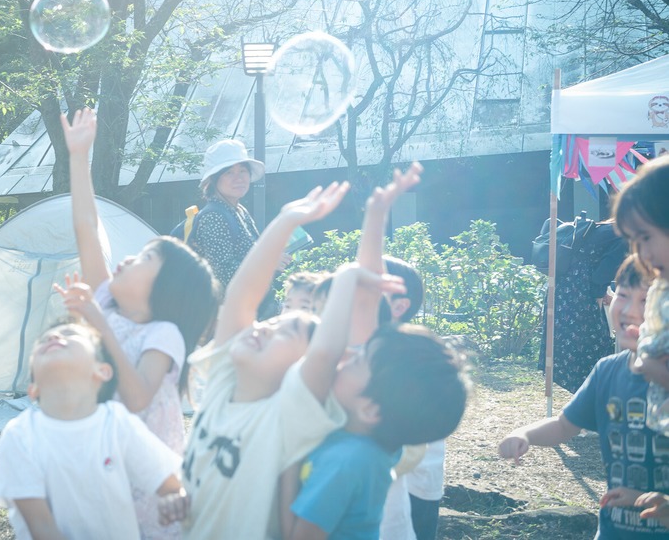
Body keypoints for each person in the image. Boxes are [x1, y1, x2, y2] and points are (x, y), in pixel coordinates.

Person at [181, 178, 409, 539]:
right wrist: (284, 222)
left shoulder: (286, 417)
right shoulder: (222, 383)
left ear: (300, 369)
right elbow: (241, 295)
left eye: (285, 332)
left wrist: (350, 275)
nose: (263, 328)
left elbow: (332, 348)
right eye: (272, 321)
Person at [280, 165, 469, 540]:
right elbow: (367, 300)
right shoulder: (372, 428)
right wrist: (375, 215)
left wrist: (286, 465)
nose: (349, 354)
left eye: (361, 358)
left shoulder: (349, 458)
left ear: (370, 407)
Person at [60, 108, 218, 538]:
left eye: (147, 257)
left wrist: (98, 323)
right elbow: (87, 229)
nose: (130, 256)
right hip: (106, 460)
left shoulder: (161, 334)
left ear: (164, 292)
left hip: (149, 479)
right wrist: (79, 156)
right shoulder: (109, 300)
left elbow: (136, 399)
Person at [498, 156, 669, 539]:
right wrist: (524, 434)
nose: (641, 253)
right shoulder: (611, 370)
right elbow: (565, 425)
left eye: (645, 237)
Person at [0, 319, 187, 540]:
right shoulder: (20, 434)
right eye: (44, 340)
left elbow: (168, 484)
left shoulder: (117, 422)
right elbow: (41, 527)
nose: (53, 338)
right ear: (33, 389)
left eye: (69, 334)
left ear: (102, 371)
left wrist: (174, 498)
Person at [185, 138, 283, 319]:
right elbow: (225, 273)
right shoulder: (213, 216)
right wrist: (266, 265)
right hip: (231, 319)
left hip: (251, 310)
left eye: (243, 171)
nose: (239, 178)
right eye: (229, 172)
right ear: (214, 180)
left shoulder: (238, 210)